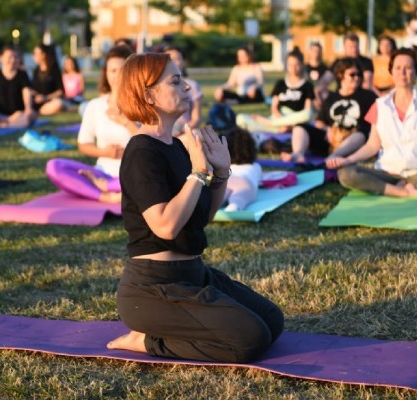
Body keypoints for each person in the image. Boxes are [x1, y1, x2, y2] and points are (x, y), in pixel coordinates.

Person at [107, 52, 284, 362]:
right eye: (175, 81)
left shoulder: (176, 146)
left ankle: (174, 326)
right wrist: (198, 173)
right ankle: (147, 341)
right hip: (153, 288)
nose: (187, 87)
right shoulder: (141, 151)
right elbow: (165, 225)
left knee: (271, 320)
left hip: (193, 275)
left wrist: (221, 173)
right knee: (250, 339)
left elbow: (203, 216)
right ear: (149, 95)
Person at [327, 48, 417, 197]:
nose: (402, 73)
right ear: (392, 72)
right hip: (388, 173)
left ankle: (406, 186)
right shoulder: (380, 105)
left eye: (408, 68)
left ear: (416, 73)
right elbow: (372, 145)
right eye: (398, 68)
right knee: (346, 174)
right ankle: (401, 191)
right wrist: (348, 159)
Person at [45, 45, 136, 203]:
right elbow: (84, 144)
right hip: (101, 175)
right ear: (105, 74)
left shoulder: (144, 105)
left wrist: (126, 122)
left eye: (122, 70)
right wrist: (106, 153)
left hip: (134, 173)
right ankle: (106, 196)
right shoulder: (95, 105)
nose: (117, 76)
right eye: (113, 71)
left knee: (154, 177)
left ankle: (116, 189)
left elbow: (152, 143)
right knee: (54, 166)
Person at [280, 58, 377, 163]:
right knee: (300, 127)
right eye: (352, 75)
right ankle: (298, 154)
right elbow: (319, 122)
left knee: (360, 135)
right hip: (331, 141)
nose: (356, 78)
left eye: (359, 75)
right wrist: (327, 129)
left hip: (354, 142)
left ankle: (334, 157)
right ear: (341, 75)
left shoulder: (368, 96)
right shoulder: (332, 98)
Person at [238, 51, 314, 134]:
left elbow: (307, 110)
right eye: (290, 65)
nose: (293, 68)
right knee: (240, 118)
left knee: (308, 114)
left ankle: (271, 125)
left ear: (302, 64)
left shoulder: (307, 85)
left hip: (295, 119)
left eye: (296, 64)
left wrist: (289, 123)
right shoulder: (280, 83)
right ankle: (275, 128)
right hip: (278, 118)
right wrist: (282, 122)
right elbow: (274, 107)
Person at [0, 46, 34, 128]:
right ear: (1, 58)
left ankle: (3, 125)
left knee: (29, 116)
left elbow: (26, 93)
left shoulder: (23, 75)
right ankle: (6, 123)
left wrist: (28, 108)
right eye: (9, 57)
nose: (13, 60)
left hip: (18, 114)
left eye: (15, 57)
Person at [163, 45, 203, 136]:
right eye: (169, 59)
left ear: (184, 62)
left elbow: (196, 119)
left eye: (177, 59)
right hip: (163, 130)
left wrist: (181, 132)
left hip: (185, 129)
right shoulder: (157, 86)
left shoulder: (192, 85)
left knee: (197, 136)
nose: (172, 63)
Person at [222, 128, 262, 212]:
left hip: (225, 179)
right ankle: (234, 207)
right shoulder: (256, 166)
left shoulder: (224, 164)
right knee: (240, 197)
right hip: (243, 181)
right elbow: (260, 180)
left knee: (219, 197)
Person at [30, 44, 64, 115]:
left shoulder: (54, 71)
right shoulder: (36, 70)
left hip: (49, 102)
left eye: (36, 54)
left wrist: (45, 98)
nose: (33, 56)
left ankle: (38, 112)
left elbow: (60, 91)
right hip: (35, 102)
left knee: (58, 103)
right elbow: (32, 88)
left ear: (43, 55)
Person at [305, 42, 334, 110]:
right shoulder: (304, 69)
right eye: (314, 51)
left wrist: (317, 98)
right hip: (308, 99)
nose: (316, 53)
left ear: (321, 52)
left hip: (322, 99)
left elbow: (323, 86)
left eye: (318, 51)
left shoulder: (326, 70)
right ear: (310, 51)